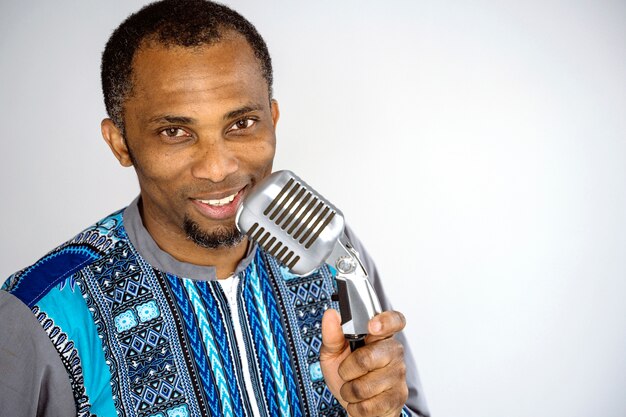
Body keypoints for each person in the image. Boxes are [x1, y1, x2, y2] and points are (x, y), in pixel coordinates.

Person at [0, 1, 429, 416]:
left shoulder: (330, 250)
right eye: (174, 131)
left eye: (241, 124)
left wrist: (378, 413)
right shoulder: (39, 311)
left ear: (272, 119)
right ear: (120, 143)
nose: (218, 168)